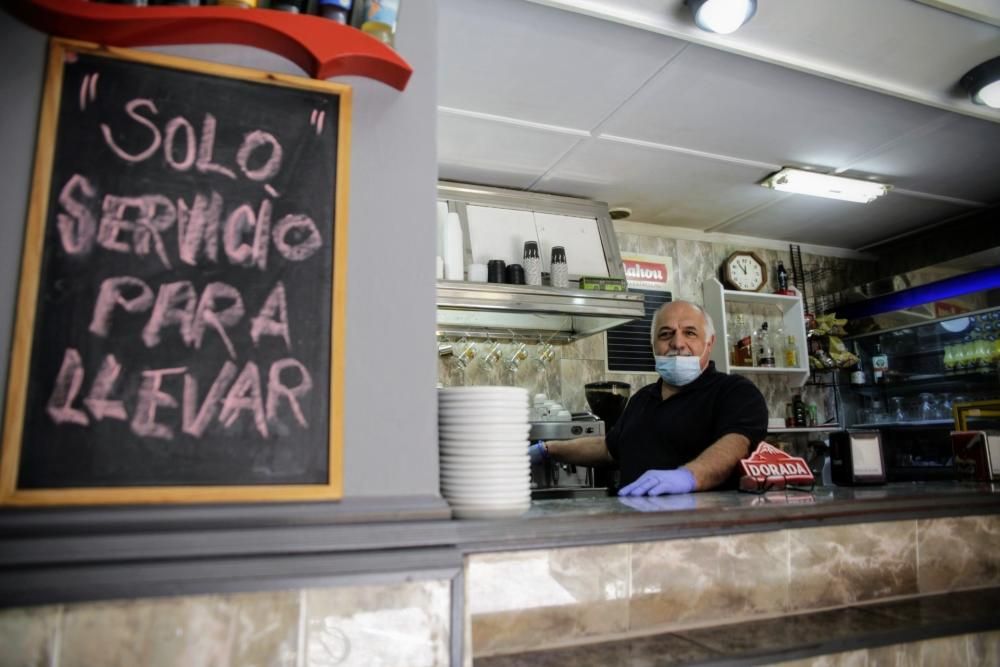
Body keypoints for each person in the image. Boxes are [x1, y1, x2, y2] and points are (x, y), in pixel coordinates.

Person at [529, 300, 767, 496]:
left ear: (709, 342)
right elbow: (609, 448)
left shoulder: (734, 392)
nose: (677, 343)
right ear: (653, 345)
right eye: (666, 334)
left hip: (703, 529)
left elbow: (735, 445)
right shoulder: (642, 399)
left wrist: (688, 476)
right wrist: (548, 449)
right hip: (637, 525)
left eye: (690, 333)